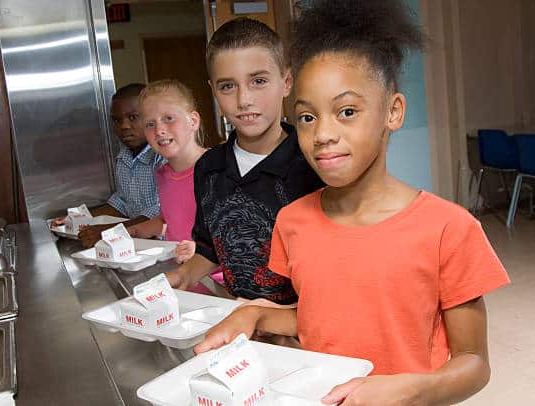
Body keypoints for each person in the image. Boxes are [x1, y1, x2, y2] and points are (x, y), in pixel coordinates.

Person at [195, 1, 511, 405]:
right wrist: (254, 314)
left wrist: (412, 388)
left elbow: (474, 362)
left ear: (392, 112)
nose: (323, 134)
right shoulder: (292, 222)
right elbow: (317, 322)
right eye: (308, 117)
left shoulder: (449, 228)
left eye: (346, 111)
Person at [165, 18, 323, 305]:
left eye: (258, 81)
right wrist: (180, 277)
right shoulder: (208, 168)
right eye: (228, 86)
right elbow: (211, 251)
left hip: (305, 336)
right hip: (242, 330)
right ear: (213, 90)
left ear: (286, 82)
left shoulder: (315, 163)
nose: (244, 99)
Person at [52, 83, 165, 247]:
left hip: (164, 246)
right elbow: (121, 203)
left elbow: (160, 211)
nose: (124, 126)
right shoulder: (123, 157)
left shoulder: (163, 157)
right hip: (135, 243)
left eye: (133, 117)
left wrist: (109, 231)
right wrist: (77, 218)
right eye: (117, 120)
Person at [126, 79, 206, 268]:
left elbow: (236, 227)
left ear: (193, 121)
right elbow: (169, 218)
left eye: (169, 118)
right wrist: (135, 230)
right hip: (184, 277)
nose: (159, 130)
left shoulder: (217, 168)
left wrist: (204, 249)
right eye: (150, 124)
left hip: (218, 284)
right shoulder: (162, 174)